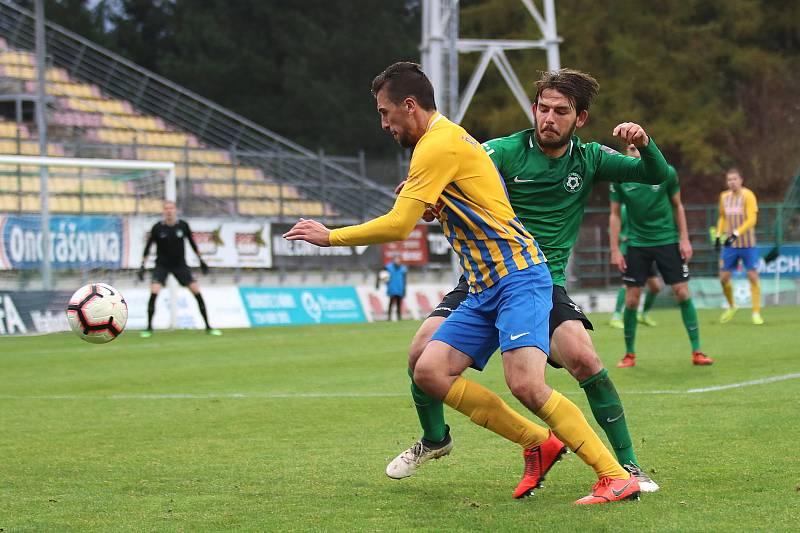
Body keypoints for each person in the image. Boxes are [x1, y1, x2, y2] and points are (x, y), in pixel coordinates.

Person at [284, 62, 639, 504]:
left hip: (519, 276)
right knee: (429, 371)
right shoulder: (442, 143)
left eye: (384, 112)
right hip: (483, 284)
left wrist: (331, 236)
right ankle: (539, 442)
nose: (383, 123)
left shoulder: (438, 144)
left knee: (526, 383)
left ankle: (614, 474)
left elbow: (398, 226)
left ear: (409, 106)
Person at [386, 68, 670, 496]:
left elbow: (656, 175)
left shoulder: (590, 158)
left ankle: (627, 465)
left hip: (540, 280)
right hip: (482, 279)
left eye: (561, 111)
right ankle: (435, 439)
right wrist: (427, 195)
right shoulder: (502, 151)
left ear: (580, 119)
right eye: (542, 108)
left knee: (585, 360)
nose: (548, 118)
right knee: (419, 355)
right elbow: (457, 170)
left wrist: (645, 145)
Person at [610, 145, 713, 368]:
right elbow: (615, 214)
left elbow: (678, 206)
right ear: (626, 153)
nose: (635, 152)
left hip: (667, 241)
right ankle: (629, 354)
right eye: (630, 149)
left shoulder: (666, 172)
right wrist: (615, 249)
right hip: (636, 244)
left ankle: (697, 350)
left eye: (638, 148)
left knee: (682, 292)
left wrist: (684, 239)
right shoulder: (618, 177)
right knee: (631, 299)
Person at [138, 201, 221, 337]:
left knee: (196, 291)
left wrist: (202, 261)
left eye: (171, 208)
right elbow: (148, 247)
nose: (169, 211)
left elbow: (193, 244)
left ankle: (208, 326)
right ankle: (148, 328)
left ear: (175, 210)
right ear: (163, 211)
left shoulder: (183, 226)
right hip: (162, 265)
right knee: (154, 292)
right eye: (166, 208)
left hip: (180, 265)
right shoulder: (157, 228)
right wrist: (142, 265)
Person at [716, 168, 763, 325]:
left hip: (748, 244)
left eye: (735, 179)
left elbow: (752, 220)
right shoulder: (724, 197)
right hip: (730, 246)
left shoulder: (748, 195)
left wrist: (736, 233)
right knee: (723, 278)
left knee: (752, 276)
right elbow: (722, 217)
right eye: (729, 180)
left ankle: (756, 313)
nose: (732, 182)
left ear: (741, 180)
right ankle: (732, 306)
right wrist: (718, 235)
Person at [609, 201, 661, 329]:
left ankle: (643, 315)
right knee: (628, 285)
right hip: (628, 252)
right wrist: (623, 237)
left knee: (655, 287)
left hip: (645, 251)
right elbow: (612, 228)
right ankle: (616, 316)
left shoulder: (646, 207)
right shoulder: (624, 208)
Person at [385, 255, 407, 321]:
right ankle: (389, 317)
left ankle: (399, 317)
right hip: (392, 288)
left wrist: (404, 289)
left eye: (398, 260)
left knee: (399, 304)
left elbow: (404, 280)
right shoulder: (388, 267)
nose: (397, 261)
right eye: (396, 259)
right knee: (391, 303)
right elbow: (383, 275)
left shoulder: (403, 268)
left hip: (400, 288)